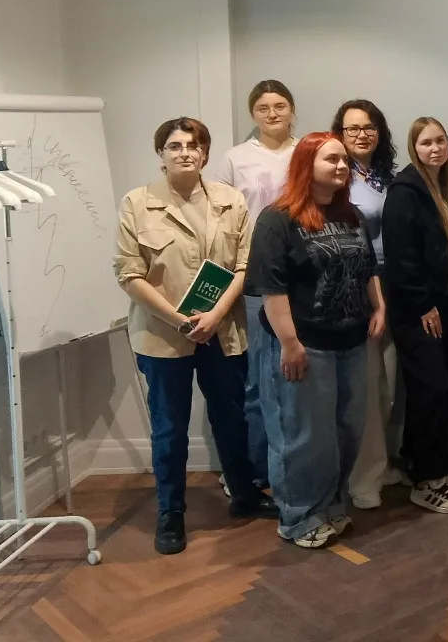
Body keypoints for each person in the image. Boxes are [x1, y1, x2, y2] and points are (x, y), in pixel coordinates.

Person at [113, 117, 277, 556]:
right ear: (161, 154)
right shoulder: (137, 203)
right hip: (162, 336)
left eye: (193, 145)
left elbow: (244, 264)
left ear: (204, 154)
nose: (185, 152)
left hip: (222, 332)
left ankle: (244, 494)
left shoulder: (229, 200)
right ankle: (171, 513)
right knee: (170, 429)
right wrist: (180, 320)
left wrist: (215, 314)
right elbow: (129, 274)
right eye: (175, 145)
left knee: (233, 418)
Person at [246, 132, 386, 549]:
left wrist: (379, 307)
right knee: (302, 436)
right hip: (305, 345)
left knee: (346, 430)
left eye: (344, 160)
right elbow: (271, 289)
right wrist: (290, 344)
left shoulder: (351, 216)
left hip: (351, 342)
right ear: (307, 165)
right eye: (331, 159)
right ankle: (298, 516)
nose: (341, 166)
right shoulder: (277, 219)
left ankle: (330, 504)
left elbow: (368, 268)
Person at [213, 80, 298, 491]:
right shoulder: (235, 158)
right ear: (252, 114)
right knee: (256, 377)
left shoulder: (307, 151)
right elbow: (221, 217)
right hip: (252, 277)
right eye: (263, 108)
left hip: (301, 272)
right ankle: (252, 470)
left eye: (280, 106)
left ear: (292, 110)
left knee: (298, 371)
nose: (272, 114)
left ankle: (293, 463)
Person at [384, 117, 448, 513]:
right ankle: (425, 481)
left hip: (445, 304)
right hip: (417, 310)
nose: (435, 149)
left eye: (440, 141)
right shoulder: (405, 191)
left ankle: (424, 463)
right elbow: (400, 257)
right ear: (413, 148)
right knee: (430, 389)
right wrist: (422, 304)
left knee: (444, 387)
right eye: (425, 143)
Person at [330, 99, 404, 510]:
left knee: (388, 382)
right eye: (353, 128)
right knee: (367, 385)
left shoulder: (384, 177)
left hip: (394, 284)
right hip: (360, 288)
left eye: (369, 126)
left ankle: (380, 462)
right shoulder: (338, 179)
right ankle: (362, 478)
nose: (362, 134)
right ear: (339, 134)